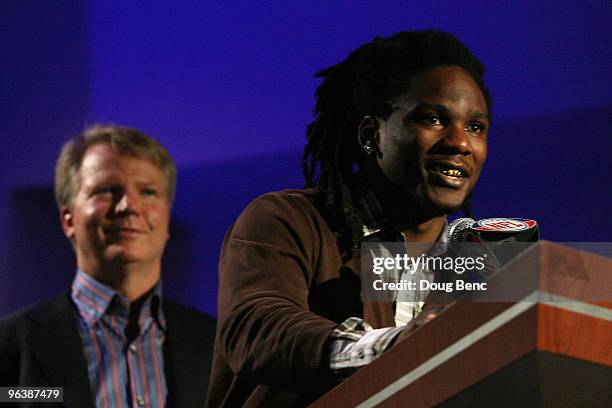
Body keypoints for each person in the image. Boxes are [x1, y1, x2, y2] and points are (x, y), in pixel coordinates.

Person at [207, 30, 492, 407]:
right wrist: (390, 348)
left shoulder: (478, 263)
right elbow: (256, 328)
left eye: (476, 127)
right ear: (371, 134)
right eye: (434, 119)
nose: (460, 143)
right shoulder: (287, 219)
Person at [0, 125, 216, 408]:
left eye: (148, 192)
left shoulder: (216, 347)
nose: (128, 205)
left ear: (166, 219)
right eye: (106, 190)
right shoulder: (10, 346)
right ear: (68, 219)